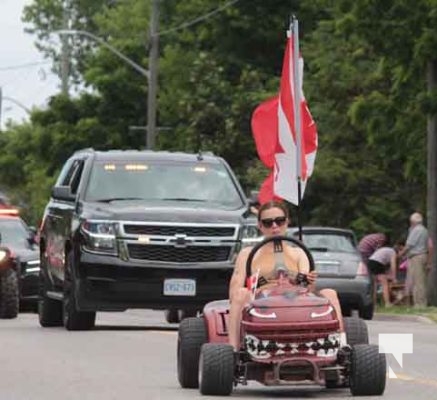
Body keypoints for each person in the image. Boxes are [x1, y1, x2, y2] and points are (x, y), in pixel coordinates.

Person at [228, 200, 346, 352]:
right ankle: (233, 351)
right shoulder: (248, 254)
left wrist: (300, 278)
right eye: (268, 223)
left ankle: (342, 346)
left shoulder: (299, 253)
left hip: (295, 299)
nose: (275, 227)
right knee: (241, 293)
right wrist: (265, 280)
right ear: (260, 226)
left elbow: (308, 288)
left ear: (287, 222)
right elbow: (234, 293)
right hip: (260, 302)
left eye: (279, 221)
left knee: (330, 293)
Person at [398, 212, 429, 307]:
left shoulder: (416, 230)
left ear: (413, 221)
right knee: (417, 281)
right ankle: (416, 303)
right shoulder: (423, 230)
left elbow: (409, 245)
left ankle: (420, 304)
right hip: (420, 256)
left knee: (418, 282)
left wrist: (400, 254)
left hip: (417, 257)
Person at [367, 242, 402, 307]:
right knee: (384, 284)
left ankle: (373, 304)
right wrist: (394, 278)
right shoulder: (393, 252)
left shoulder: (387, 250)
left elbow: (387, 269)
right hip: (377, 263)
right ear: (398, 251)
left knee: (374, 285)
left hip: (370, 261)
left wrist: (390, 275)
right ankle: (387, 303)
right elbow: (393, 265)